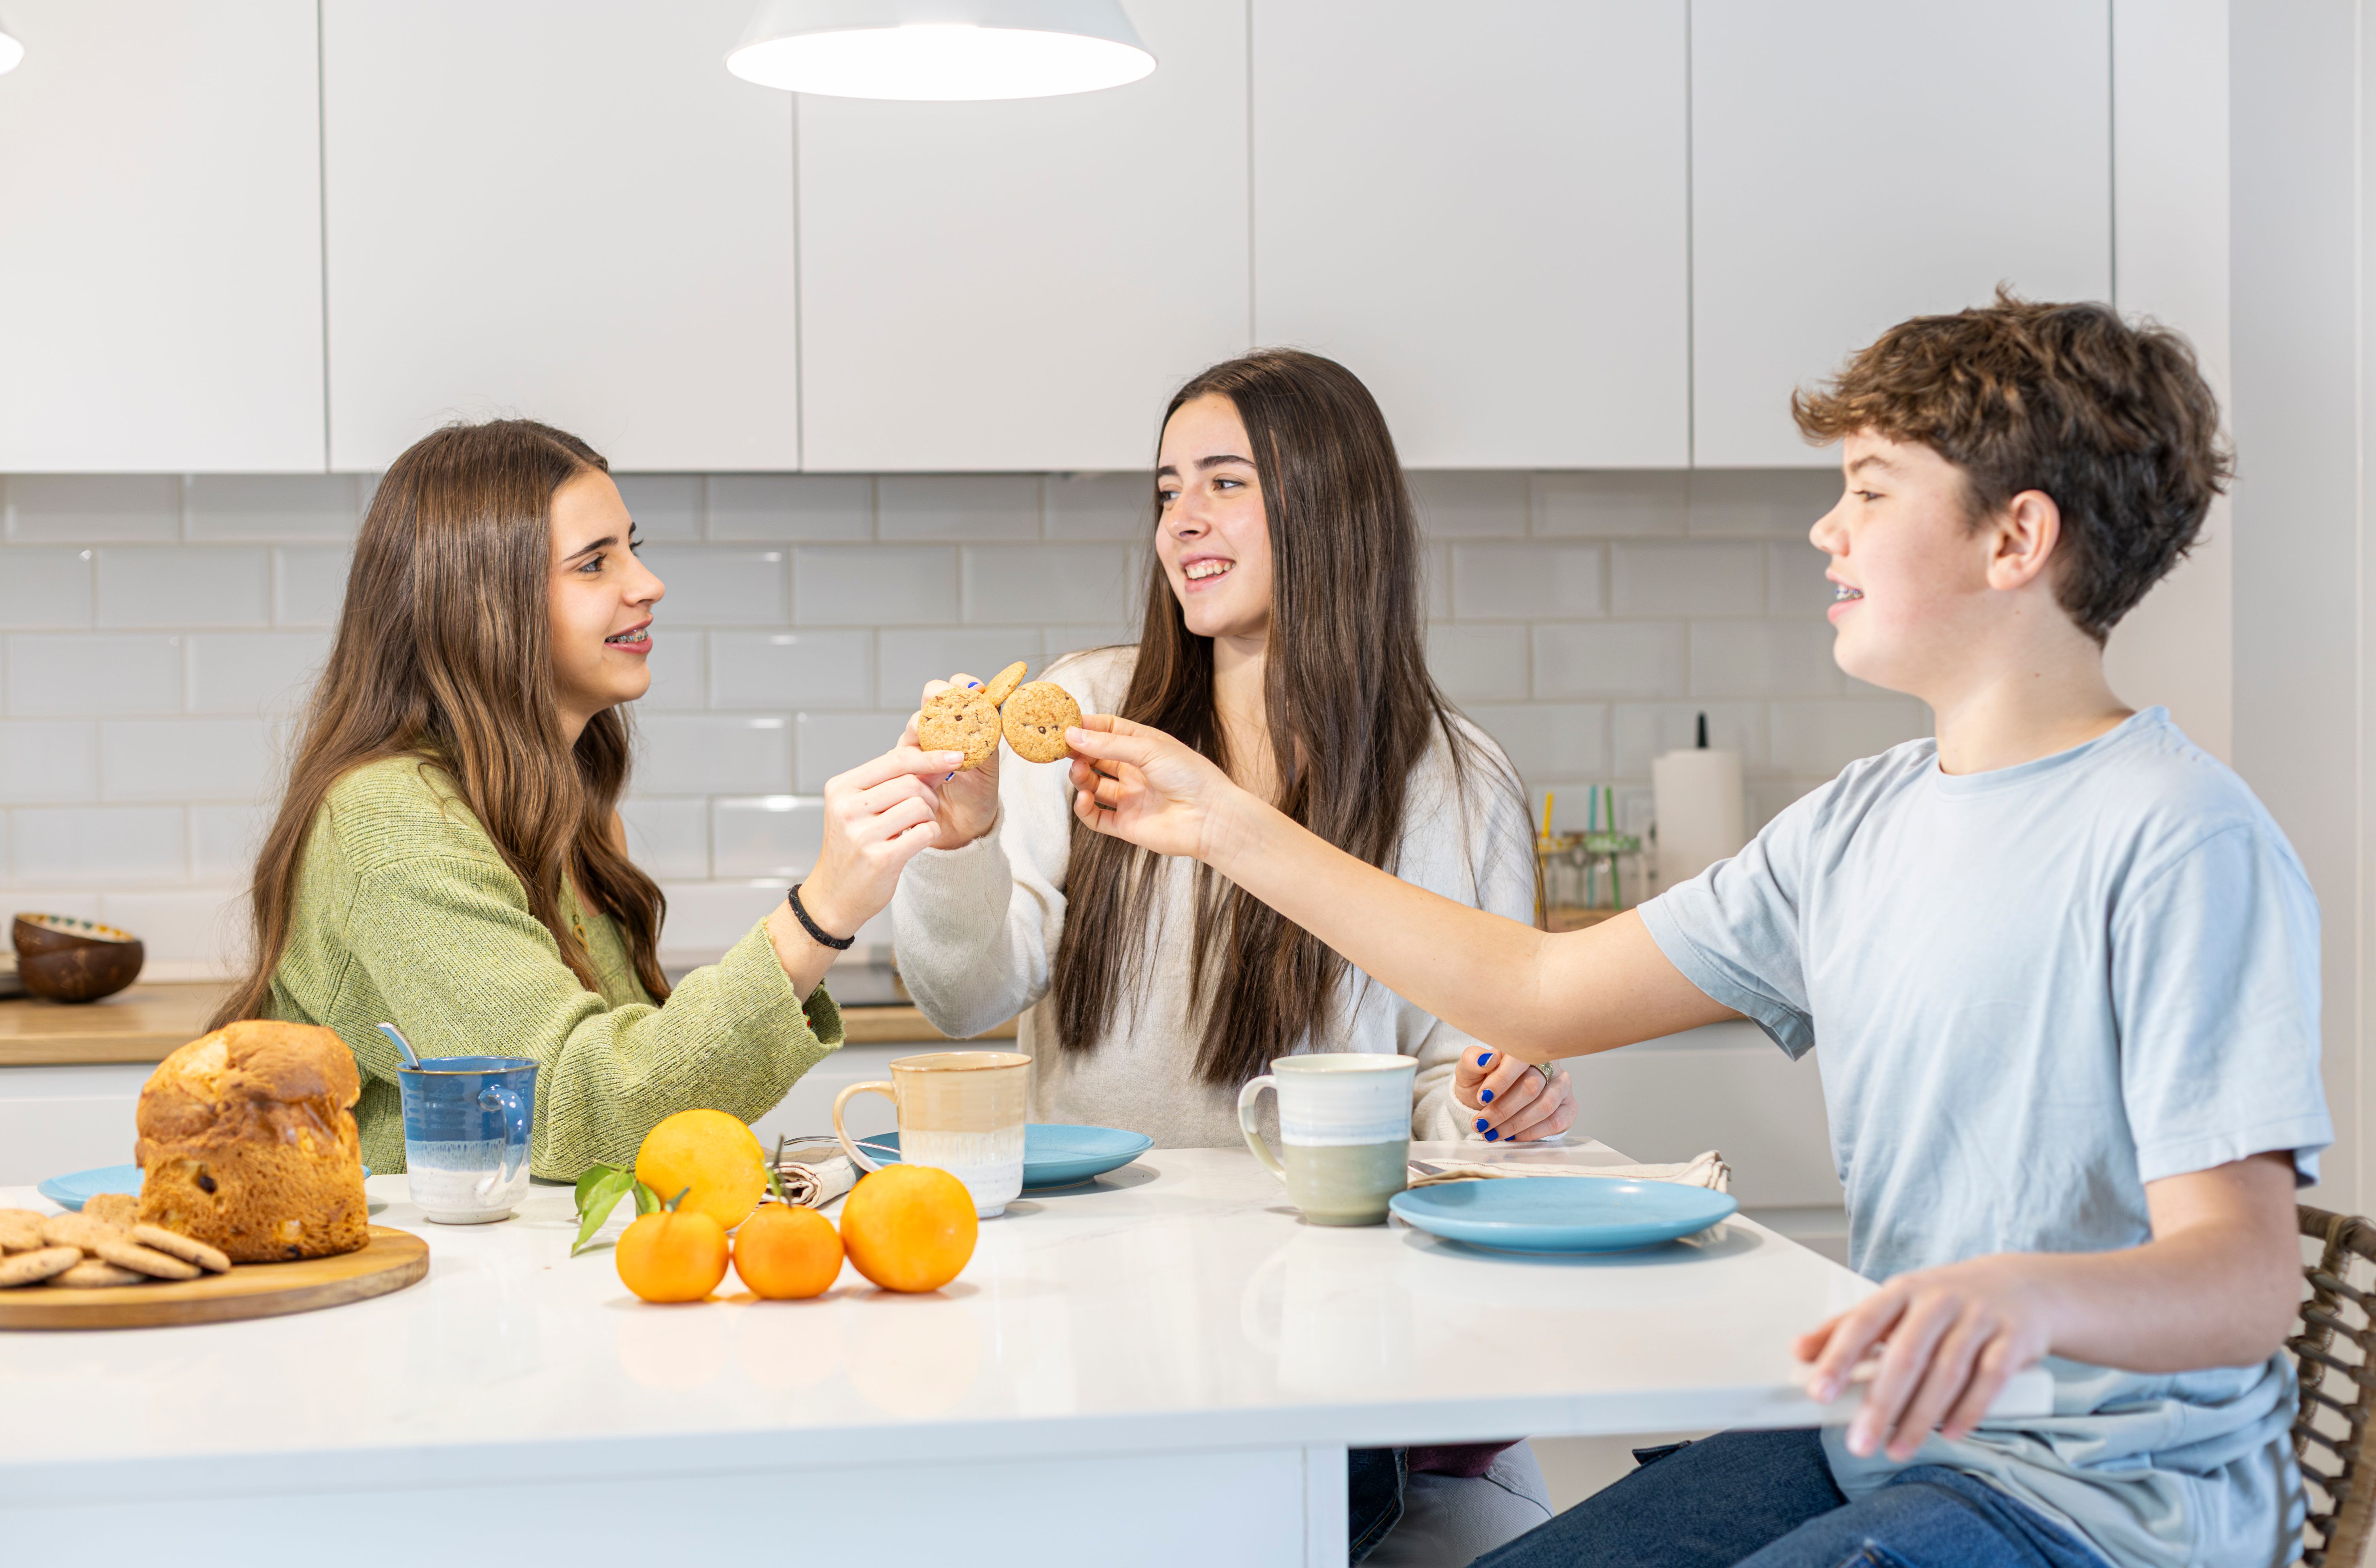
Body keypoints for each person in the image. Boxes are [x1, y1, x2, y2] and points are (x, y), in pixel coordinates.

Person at [1060, 295, 2329, 1568]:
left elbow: (2245, 1280)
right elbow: (1541, 989)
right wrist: (1226, 827)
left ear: (2018, 539)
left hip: (2097, 1506)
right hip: (1885, 1438)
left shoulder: (2177, 840)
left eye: (1872, 492)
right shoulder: (1856, 828)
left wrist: (2022, 1291)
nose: (1828, 528)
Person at [888, 349, 1566, 1563]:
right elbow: (963, 996)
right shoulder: (1086, 720)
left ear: (1327, 502)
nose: (1180, 523)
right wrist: (959, 845)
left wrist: (1492, 1098)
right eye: (1165, 491)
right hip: (1091, 1306)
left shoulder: (1456, 785)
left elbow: (1452, 1080)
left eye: (1223, 484)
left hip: (1329, 1318)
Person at [214, 419, 959, 1178]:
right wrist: (821, 914)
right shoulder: (387, 819)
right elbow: (571, 1109)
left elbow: (636, 1100)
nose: (647, 584)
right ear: (483, 605)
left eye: (632, 548)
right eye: (594, 563)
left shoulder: (569, 814)